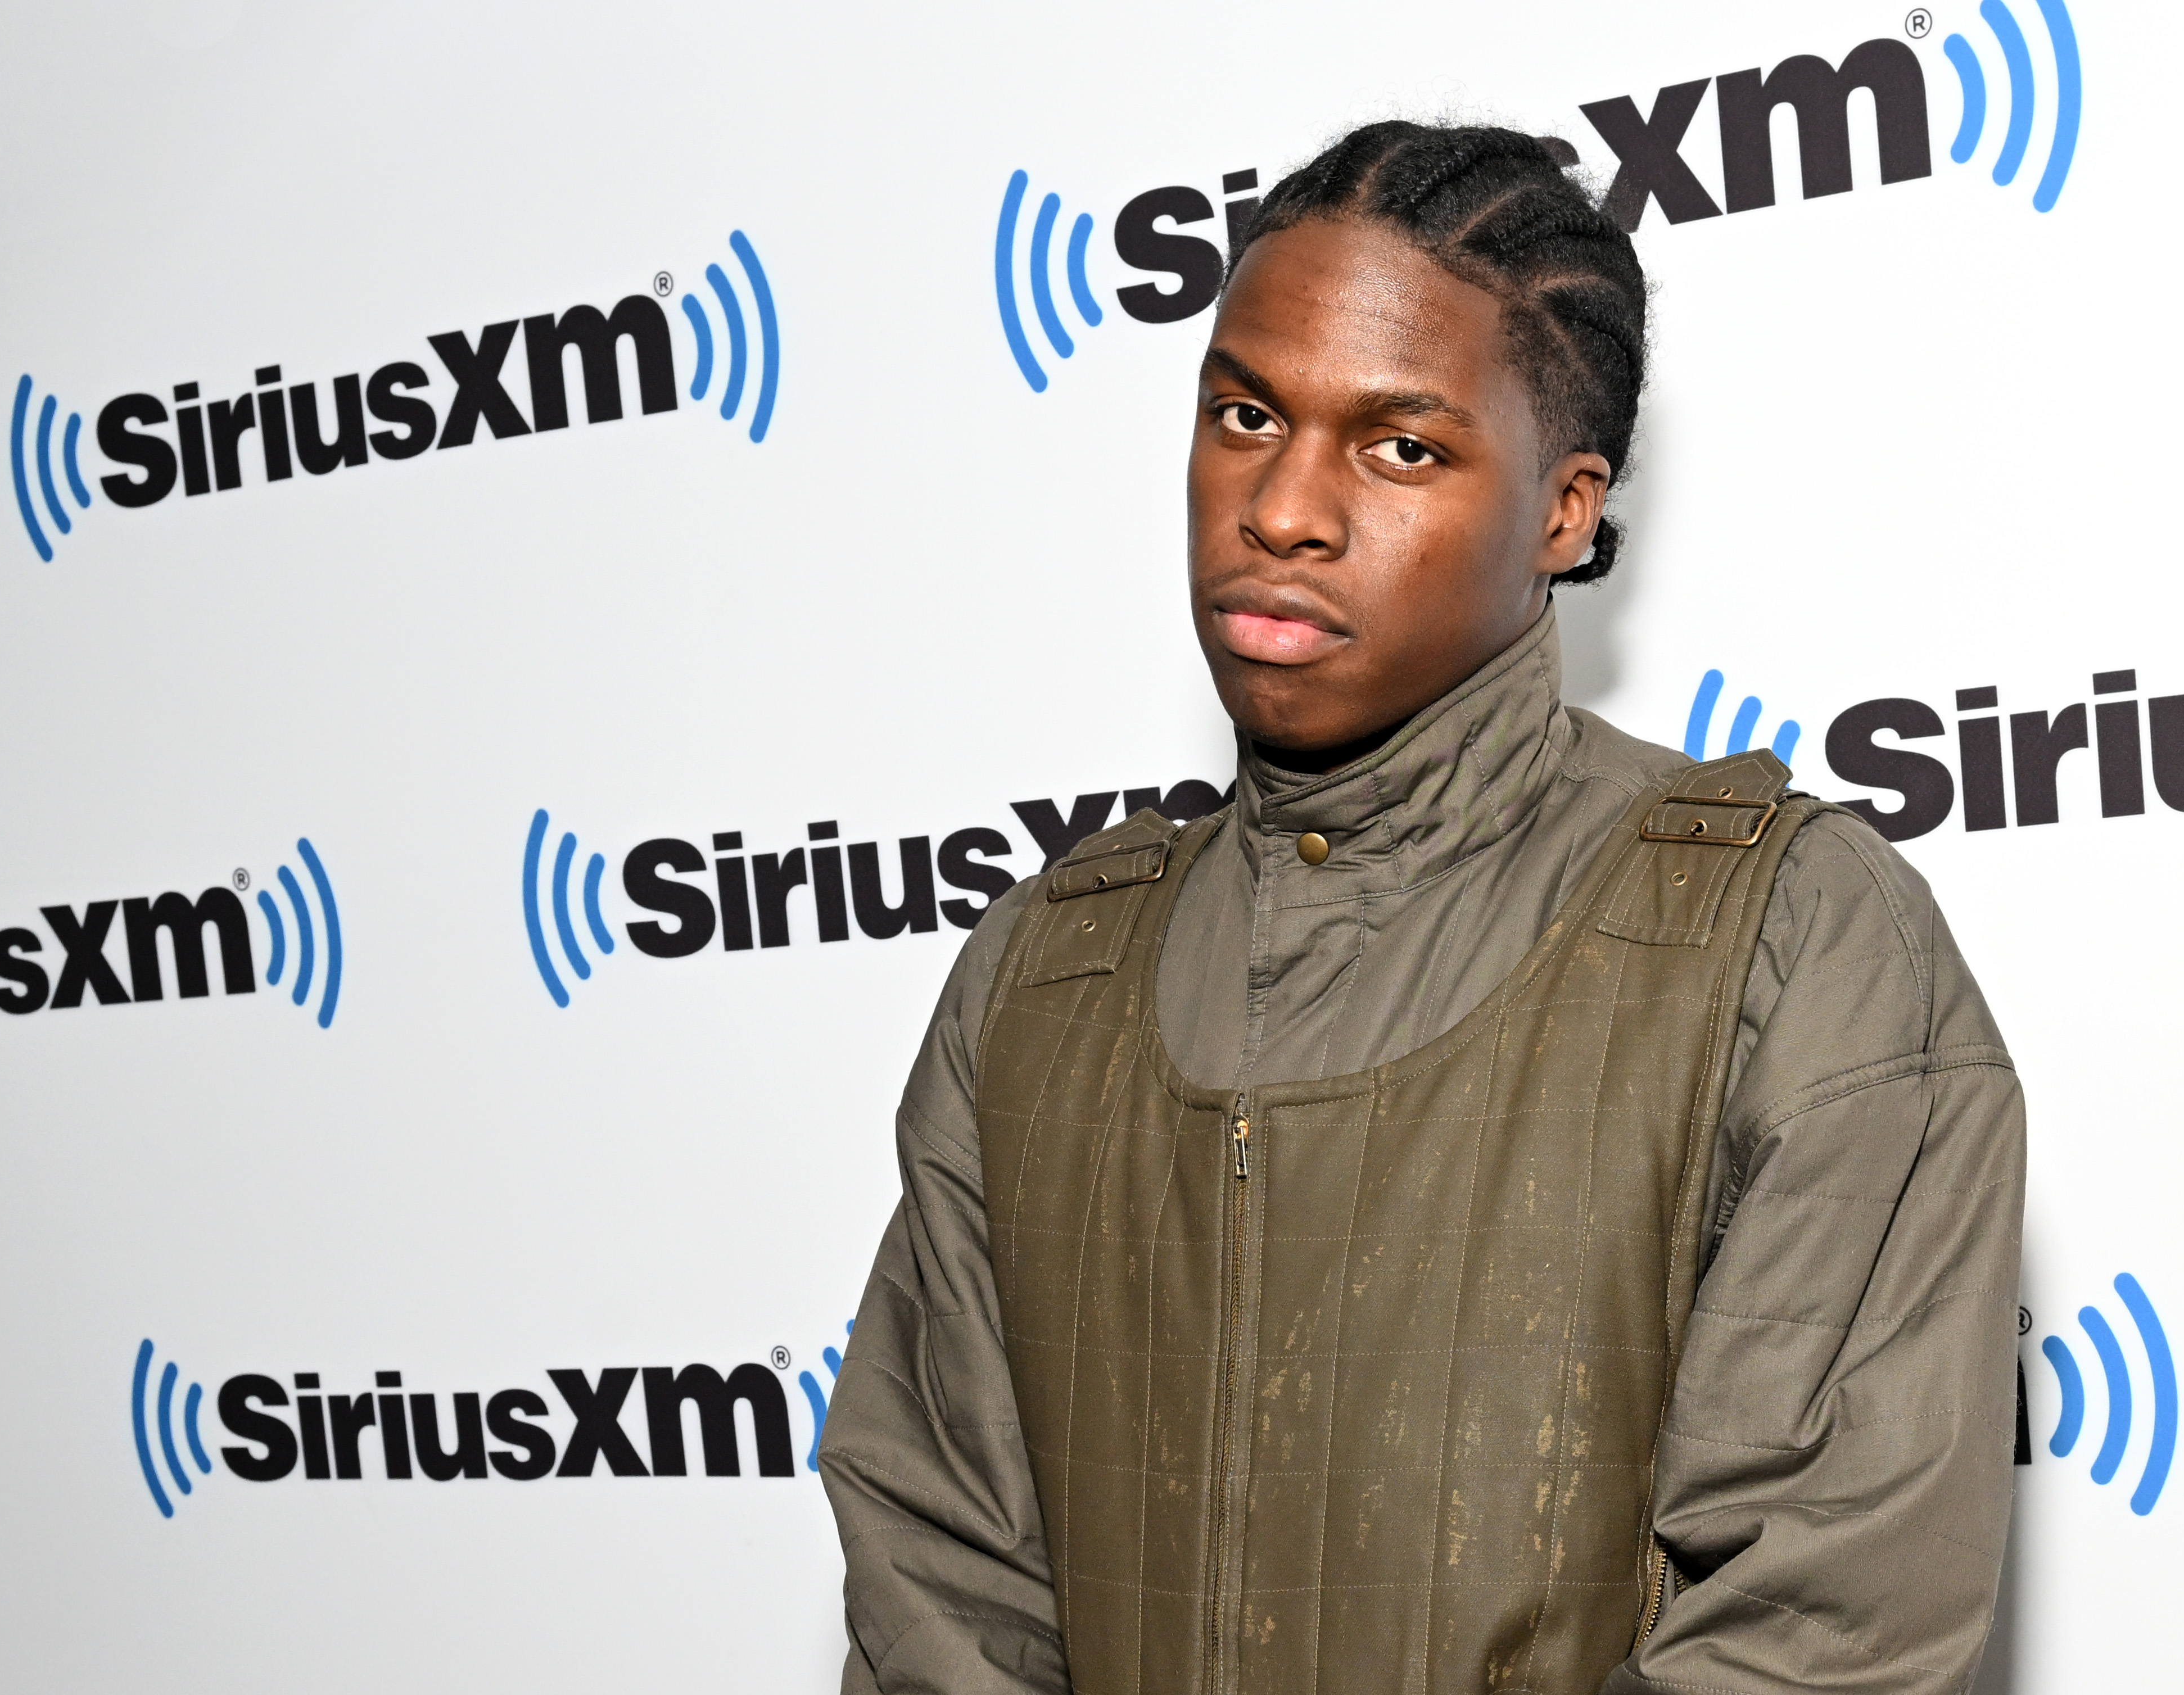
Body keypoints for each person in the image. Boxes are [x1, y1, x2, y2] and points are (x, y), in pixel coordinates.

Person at [822, 121, 2025, 1695]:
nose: (1286, 508)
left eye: (1401, 447)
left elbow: (1827, 1628)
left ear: (1561, 512)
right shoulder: (1045, 969)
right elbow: (938, 1580)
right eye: (1244, 415)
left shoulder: (1796, 940)